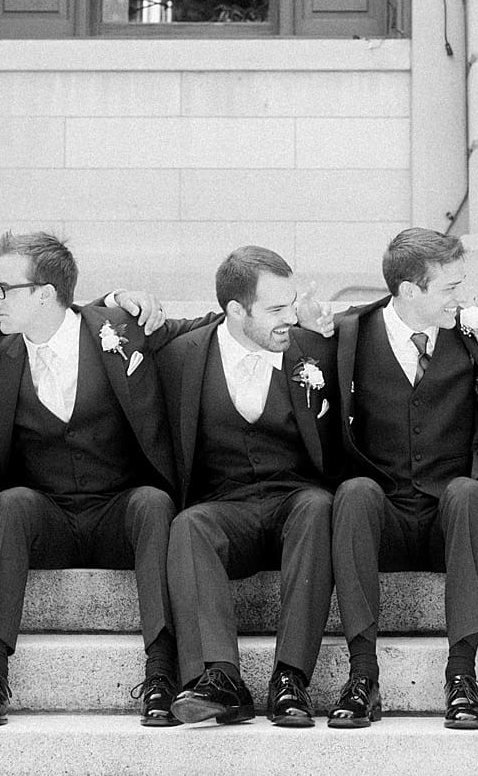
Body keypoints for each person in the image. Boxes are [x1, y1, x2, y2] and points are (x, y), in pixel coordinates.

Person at [0, 231, 216, 726]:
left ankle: (162, 674)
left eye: (1, 288)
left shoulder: (120, 330)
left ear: (45, 294)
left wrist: (311, 324)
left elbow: (211, 327)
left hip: (118, 511)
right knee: (11, 502)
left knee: (153, 502)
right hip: (48, 514)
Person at [326, 228, 478, 729]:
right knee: (354, 493)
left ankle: (463, 677)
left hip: (450, 517)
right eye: (449, 288)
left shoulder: (475, 338)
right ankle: (363, 676)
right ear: (409, 291)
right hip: (383, 517)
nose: (459, 298)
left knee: (471, 493)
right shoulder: (349, 336)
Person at [161, 246, 340, 728]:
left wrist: (313, 314)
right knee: (188, 524)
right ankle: (220, 678)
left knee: (318, 506)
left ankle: (290, 679)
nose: (290, 319)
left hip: (293, 503)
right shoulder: (184, 356)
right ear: (236, 311)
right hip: (226, 508)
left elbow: (383, 321)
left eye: (293, 304)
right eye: (276, 310)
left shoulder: (314, 348)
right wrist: (119, 295)